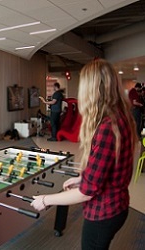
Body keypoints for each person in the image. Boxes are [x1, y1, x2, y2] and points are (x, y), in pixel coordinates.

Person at [31, 59, 137, 250]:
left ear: (93, 89)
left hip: (104, 212)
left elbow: (86, 193)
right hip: (119, 204)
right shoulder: (122, 117)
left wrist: (46, 200)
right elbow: (108, 169)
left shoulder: (107, 127)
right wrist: (83, 178)